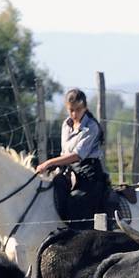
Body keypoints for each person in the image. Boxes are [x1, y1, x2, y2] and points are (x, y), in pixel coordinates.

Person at [38, 88, 110, 224]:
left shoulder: (92, 127)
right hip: (69, 171)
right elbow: (64, 153)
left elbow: (77, 155)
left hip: (88, 173)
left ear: (85, 107)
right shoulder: (66, 125)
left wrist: (49, 163)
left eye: (78, 109)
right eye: (71, 110)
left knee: (77, 203)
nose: (74, 114)